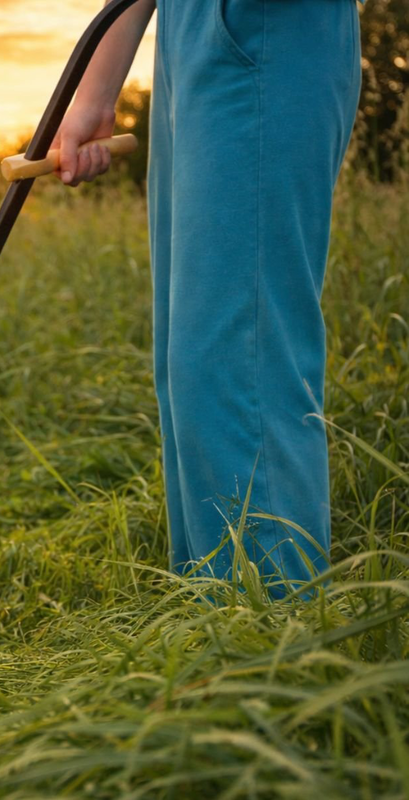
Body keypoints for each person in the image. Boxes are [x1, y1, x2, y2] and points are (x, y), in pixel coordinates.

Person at [52, 0, 363, 597]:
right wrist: (97, 90)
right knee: (187, 362)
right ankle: (213, 615)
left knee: (238, 356)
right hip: (186, 30)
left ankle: (274, 629)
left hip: (267, 22)